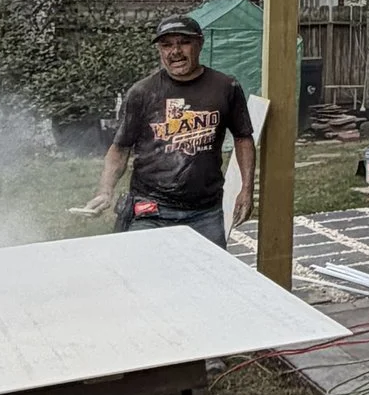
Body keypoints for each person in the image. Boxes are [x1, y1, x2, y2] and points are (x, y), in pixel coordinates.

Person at [83, 15, 257, 246]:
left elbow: (243, 138)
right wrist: (105, 191)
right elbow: (120, 148)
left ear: (200, 43)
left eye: (183, 42)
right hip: (150, 210)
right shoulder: (142, 92)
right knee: (144, 276)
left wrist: (246, 189)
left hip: (205, 212)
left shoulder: (225, 87)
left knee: (206, 277)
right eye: (166, 45)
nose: (175, 51)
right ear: (159, 50)